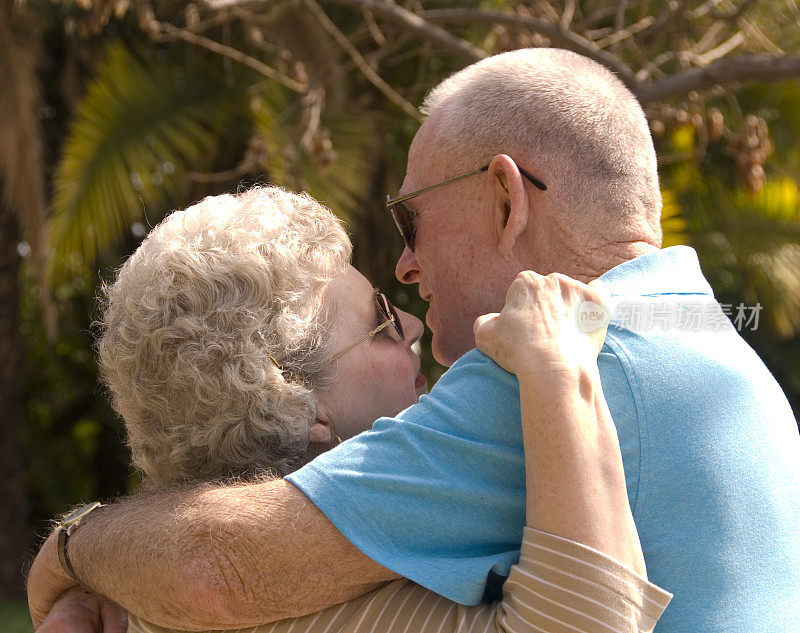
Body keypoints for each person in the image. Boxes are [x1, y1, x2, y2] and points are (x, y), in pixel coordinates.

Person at [28, 47, 800, 633]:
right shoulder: (709, 344)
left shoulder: (544, 372)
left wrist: (72, 553)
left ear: (505, 198)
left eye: (412, 219)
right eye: (374, 321)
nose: (404, 266)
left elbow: (216, 567)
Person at [33, 184, 670, 633]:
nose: (417, 326)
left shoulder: (138, 607)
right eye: (383, 322)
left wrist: (69, 556)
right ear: (295, 401)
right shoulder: (331, 614)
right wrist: (560, 368)